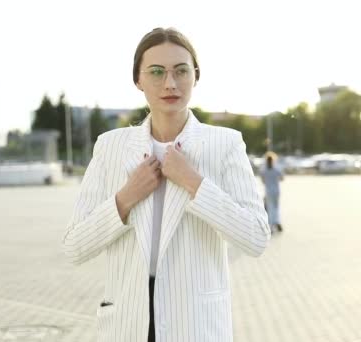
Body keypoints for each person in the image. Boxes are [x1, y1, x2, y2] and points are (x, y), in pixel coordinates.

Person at [61, 27, 270, 342]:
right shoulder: (110, 147)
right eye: (156, 72)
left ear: (195, 76)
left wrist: (194, 183)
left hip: (195, 324)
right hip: (127, 323)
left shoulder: (225, 144)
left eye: (181, 71)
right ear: (138, 79)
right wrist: (126, 198)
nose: (170, 83)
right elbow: (75, 247)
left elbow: (256, 238)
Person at [260, 151, 284, 232]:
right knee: (276, 207)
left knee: (270, 208)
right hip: (276, 191)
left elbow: (263, 181)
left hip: (268, 191)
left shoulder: (263, 170)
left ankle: (270, 225)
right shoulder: (277, 169)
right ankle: (276, 221)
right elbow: (282, 178)